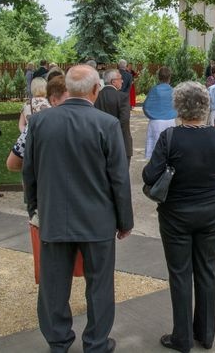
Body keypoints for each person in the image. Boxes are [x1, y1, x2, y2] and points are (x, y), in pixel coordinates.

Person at [22, 65, 133, 353]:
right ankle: (96, 343)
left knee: (53, 286)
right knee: (99, 286)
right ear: (96, 90)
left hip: (55, 216)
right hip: (97, 219)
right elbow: (119, 178)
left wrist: (35, 208)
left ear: (69, 88)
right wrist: (125, 221)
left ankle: (58, 341)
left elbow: (29, 172)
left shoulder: (40, 122)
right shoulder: (107, 124)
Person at [142, 81, 215, 352]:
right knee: (207, 269)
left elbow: (149, 176)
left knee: (180, 274)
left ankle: (182, 337)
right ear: (204, 106)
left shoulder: (170, 137)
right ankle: (206, 333)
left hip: (177, 214)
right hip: (212, 211)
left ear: (178, 107)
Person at [6, 76, 68, 174]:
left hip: (31, 143)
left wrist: (27, 134)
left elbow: (21, 125)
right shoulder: (50, 104)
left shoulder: (27, 104)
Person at [97, 69, 134, 167]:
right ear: (113, 81)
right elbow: (124, 120)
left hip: (100, 143)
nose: (122, 81)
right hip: (121, 142)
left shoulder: (96, 96)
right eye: (120, 78)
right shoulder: (123, 97)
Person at [144, 67, 178, 159]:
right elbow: (177, 106)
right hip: (170, 121)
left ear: (158, 77)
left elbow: (146, 106)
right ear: (169, 77)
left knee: (155, 147)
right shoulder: (173, 91)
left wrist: (151, 115)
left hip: (156, 122)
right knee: (170, 146)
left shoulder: (154, 90)